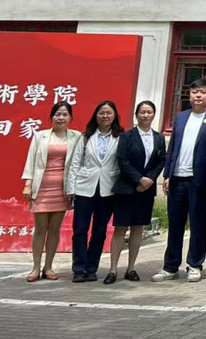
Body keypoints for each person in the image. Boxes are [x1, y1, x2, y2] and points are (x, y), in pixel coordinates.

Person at [152, 78, 206, 283]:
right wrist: (167, 174)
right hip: (177, 179)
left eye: (202, 92)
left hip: (199, 180)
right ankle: (170, 266)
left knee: (198, 224)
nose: (198, 96)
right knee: (175, 225)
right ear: (189, 95)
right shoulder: (181, 117)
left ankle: (194, 264)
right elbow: (172, 147)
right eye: (194, 92)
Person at [106, 100, 165, 284]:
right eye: (142, 112)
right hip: (127, 188)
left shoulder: (159, 138)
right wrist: (139, 179)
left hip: (146, 191)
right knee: (120, 228)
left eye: (149, 112)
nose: (146, 115)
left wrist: (149, 179)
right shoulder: (126, 136)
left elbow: (161, 161)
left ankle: (131, 268)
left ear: (154, 114)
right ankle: (113, 269)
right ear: (136, 115)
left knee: (138, 228)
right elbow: (122, 161)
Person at [21, 101, 80, 282]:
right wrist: (28, 184)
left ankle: (48, 267)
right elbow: (31, 160)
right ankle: (35, 267)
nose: (61, 118)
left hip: (62, 190)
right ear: (52, 117)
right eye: (57, 114)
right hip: (42, 188)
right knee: (40, 229)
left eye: (64, 114)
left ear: (70, 117)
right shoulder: (41, 136)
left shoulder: (76, 137)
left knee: (54, 229)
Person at [67, 100, 122, 282]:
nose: (105, 116)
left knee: (99, 230)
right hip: (84, 188)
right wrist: (70, 188)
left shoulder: (120, 137)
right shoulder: (85, 137)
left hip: (108, 190)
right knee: (80, 229)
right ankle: (78, 268)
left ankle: (91, 268)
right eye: (101, 113)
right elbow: (75, 163)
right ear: (96, 116)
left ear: (114, 116)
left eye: (108, 113)